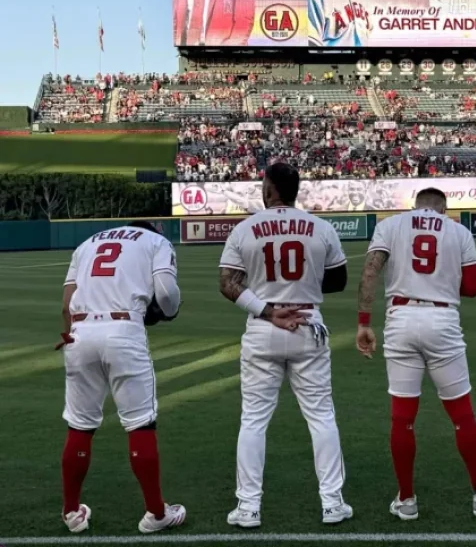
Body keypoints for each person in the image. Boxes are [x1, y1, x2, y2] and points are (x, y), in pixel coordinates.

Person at [355, 188, 476, 521]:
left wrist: (364, 321)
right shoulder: (458, 230)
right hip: (442, 320)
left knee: (402, 416)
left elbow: (370, 272)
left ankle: (407, 500)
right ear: (443, 208)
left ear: (417, 205)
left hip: (401, 318)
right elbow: (472, 288)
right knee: (462, 415)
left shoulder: (392, 224)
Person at [218, 163, 353, 527]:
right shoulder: (321, 227)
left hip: (263, 325)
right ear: (296, 190)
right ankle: (331, 504)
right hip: (308, 322)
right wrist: (303, 289)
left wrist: (267, 307)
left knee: (254, 421)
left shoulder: (245, 228)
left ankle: (248, 508)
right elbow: (339, 280)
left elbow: (228, 284)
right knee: (321, 416)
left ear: (269, 188)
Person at [56, 220, 186, 534]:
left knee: (80, 425)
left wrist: (71, 333)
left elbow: (65, 303)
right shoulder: (156, 241)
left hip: (79, 332)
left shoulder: (87, 243)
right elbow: (167, 294)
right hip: (123, 330)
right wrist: (168, 311)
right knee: (140, 423)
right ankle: (156, 513)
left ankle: (72, 512)